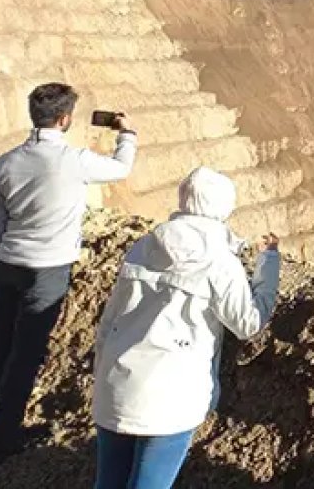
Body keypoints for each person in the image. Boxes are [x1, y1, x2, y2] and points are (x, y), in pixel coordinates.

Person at [0, 82, 137, 461]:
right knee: (27, 351)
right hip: (47, 268)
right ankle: (3, 437)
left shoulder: (6, 162)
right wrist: (126, 133)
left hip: (9, 261)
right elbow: (121, 167)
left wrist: (6, 252)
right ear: (64, 120)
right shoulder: (74, 160)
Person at [90, 167, 280, 489]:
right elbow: (248, 323)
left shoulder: (143, 245)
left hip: (116, 381)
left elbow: (110, 320)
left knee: (108, 482)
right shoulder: (220, 262)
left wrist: (101, 369)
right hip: (170, 396)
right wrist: (269, 264)